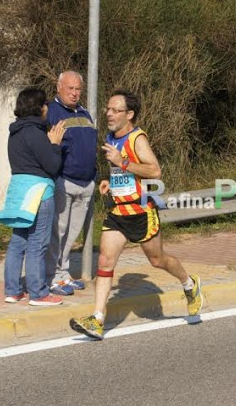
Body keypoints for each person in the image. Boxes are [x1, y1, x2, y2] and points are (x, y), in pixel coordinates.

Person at [70, 90, 203, 340]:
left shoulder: (137, 138)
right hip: (119, 211)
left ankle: (189, 283)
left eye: (115, 110)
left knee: (158, 260)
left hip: (142, 211)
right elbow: (123, 171)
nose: (108, 114)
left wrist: (122, 163)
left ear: (129, 114)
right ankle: (98, 319)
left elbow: (155, 171)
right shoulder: (112, 136)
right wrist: (110, 181)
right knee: (105, 263)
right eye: (108, 109)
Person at [0, 88, 66, 306]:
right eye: (45, 104)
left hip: (19, 192)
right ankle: (39, 293)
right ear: (40, 107)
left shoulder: (15, 132)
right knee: (38, 243)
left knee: (18, 241)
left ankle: (13, 291)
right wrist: (55, 145)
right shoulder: (35, 134)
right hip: (38, 192)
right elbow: (53, 166)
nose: (47, 108)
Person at [45, 71, 98, 296]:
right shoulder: (51, 111)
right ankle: (52, 277)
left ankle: (63, 272)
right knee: (58, 231)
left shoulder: (85, 113)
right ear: (59, 88)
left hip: (86, 184)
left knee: (72, 233)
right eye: (70, 88)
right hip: (64, 182)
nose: (75, 93)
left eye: (78, 89)